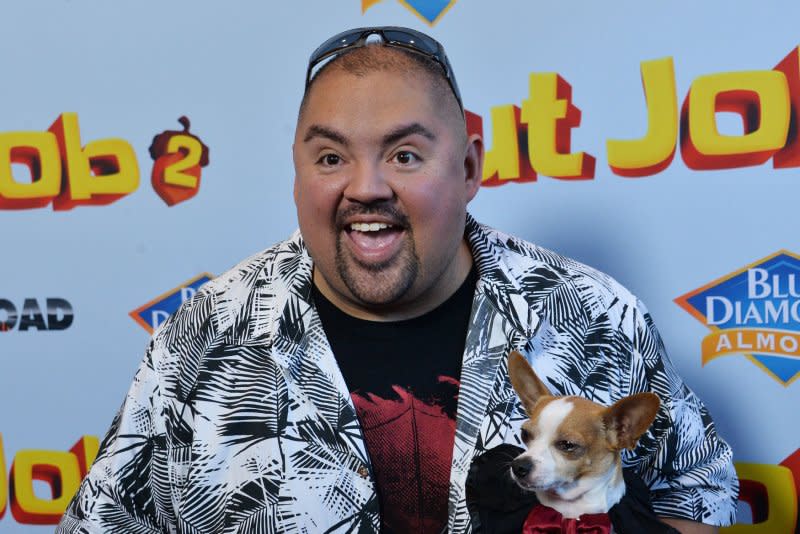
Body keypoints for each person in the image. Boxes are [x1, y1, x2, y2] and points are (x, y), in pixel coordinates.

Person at [58, 27, 737, 534]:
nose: (366, 188)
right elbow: (108, 519)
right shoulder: (201, 336)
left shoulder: (592, 314)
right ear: (297, 174)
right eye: (330, 156)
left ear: (470, 169)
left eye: (405, 154)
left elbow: (698, 500)